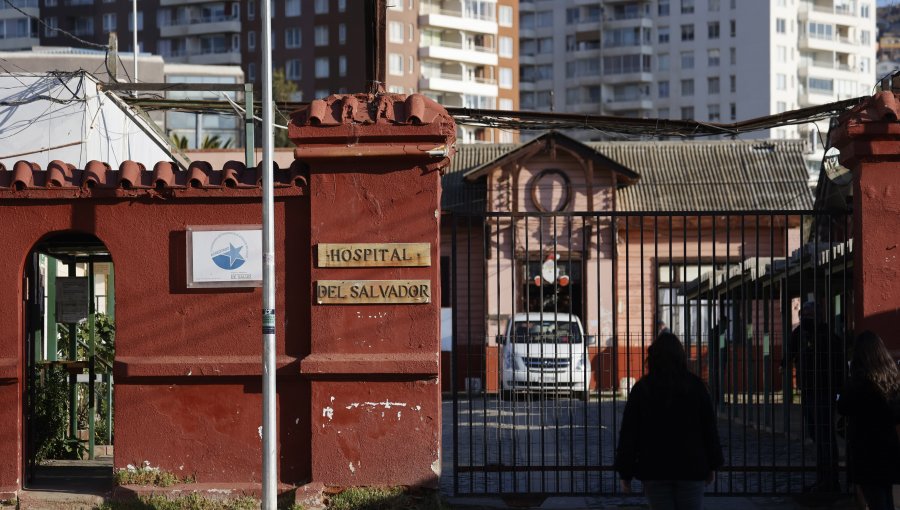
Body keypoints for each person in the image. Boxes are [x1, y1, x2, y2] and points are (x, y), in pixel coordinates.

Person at [615, 332, 723, 510]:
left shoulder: (642, 388)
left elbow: (629, 433)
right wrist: (713, 464)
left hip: (655, 469)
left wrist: (625, 473)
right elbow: (709, 429)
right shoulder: (696, 386)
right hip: (691, 467)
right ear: (681, 356)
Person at [837, 331, 900, 510]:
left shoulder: (859, 381)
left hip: (865, 448)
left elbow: (842, 406)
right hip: (887, 445)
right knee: (885, 495)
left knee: (876, 499)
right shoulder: (891, 377)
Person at [789, 300, 843, 492]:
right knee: (817, 436)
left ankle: (830, 480)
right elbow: (789, 351)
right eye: (802, 315)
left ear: (818, 317)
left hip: (824, 391)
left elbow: (839, 368)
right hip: (809, 391)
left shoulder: (829, 338)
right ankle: (824, 478)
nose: (804, 319)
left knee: (825, 437)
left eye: (808, 316)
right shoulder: (801, 335)